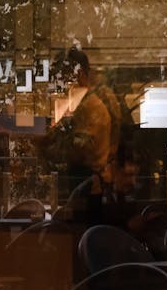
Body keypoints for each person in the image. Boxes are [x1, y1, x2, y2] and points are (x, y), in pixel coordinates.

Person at [43, 46, 124, 195]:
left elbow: (78, 150)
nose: (59, 84)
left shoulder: (91, 107)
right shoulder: (79, 105)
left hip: (86, 186)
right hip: (79, 184)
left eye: (62, 77)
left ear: (78, 74)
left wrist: (46, 144)